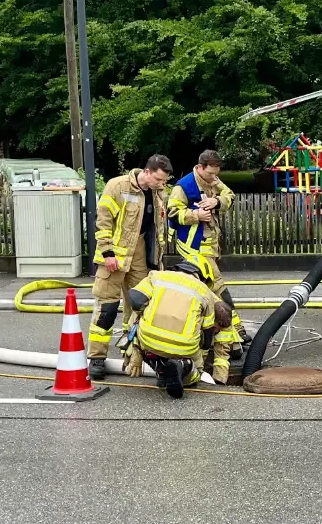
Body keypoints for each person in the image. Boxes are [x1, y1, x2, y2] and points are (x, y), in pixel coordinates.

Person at [86, 154, 173, 381]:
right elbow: (103, 220)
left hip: (140, 256)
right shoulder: (118, 186)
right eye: (158, 179)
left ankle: (131, 350)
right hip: (114, 256)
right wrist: (107, 252)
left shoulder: (157, 194)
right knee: (107, 309)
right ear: (147, 172)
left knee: (139, 306)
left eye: (164, 181)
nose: (161, 185)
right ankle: (96, 357)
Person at [167, 149, 250, 351]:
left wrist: (217, 201)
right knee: (218, 288)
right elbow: (172, 213)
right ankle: (235, 332)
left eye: (216, 173)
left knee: (208, 290)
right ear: (200, 167)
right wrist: (196, 215)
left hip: (211, 245)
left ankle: (223, 332)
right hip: (193, 246)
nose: (215, 178)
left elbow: (229, 195)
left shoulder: (213, 180)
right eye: (211, 173)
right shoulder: (183, 186)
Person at [121, 259, 233, 399]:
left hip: (148, 339)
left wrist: (135, 345)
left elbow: (136, 301)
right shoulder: (206, 294)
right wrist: (201, 365)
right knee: (194, 373)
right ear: (204, 277)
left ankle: (162, 370)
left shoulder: (157, 276)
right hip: (184, 347)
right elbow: (207, 337)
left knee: (143, 321)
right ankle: (183, 366)